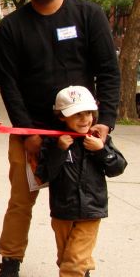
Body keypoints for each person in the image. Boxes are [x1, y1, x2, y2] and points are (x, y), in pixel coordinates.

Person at [0, 0, 120, 277]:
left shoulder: (89, 15)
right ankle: (10, 260)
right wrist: (28, 133)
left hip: (82, 133)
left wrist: (104, 122)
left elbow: (108, 72)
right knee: (21, 202)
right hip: (34, 133)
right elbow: (9, 84)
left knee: (80, 204)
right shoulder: (12, 26)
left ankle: (75, 266)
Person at [38, 85, 126, 277]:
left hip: (91, 210)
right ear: (62, 116)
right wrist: (59, 151)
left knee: (73, 264)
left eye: (88, 113)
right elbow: (44, 174)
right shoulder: (54, 142)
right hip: (63, 211)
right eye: (77, 114)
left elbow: (118, 168)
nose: (85, 119)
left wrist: (101, 150)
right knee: (66, 259)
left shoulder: (98, 139)